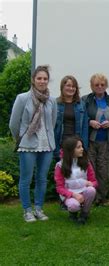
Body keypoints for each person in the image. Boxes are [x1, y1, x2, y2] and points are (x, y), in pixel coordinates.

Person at [9, 65, 57, 222]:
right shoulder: (23, 98)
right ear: (33, 80)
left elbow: (53, 122)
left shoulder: (51, 100)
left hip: (47, 144)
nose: (42, 81)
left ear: (48, 81)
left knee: (42, 178)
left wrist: (49, 137)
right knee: (26, 179)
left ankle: (38, 208)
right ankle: (27, 210)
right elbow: (14, 123)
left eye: (45, 79)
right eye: (39, 78)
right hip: (28, 144)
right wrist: (21, 138)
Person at [82, 73, 109, 206]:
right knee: (90, 169)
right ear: (92, 86)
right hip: (89, 141)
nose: (99, 87)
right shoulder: (85, 100)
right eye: (96, 85)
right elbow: (80, 118)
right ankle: (90, 196)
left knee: (103, 170)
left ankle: (101, 197)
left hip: (106, 141)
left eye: (102, 84)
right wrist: (89, 122)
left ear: (106, 86)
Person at [54, 136, 97, 225]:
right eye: (78, 147)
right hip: (69, 194)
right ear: (70, 150)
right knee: (74, 206)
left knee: (91, 190)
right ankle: (73, 214)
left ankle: (84, 213)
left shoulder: (86, 162)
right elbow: (59, 188)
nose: (82, 149)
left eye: (82, 146)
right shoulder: (60, 166)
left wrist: (91, 184)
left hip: (83, 191)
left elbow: (94, 181)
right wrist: (73, 195)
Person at [54, 75, 89, 162]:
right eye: (68, 85)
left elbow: (85, 126)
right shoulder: (55, 104)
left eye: (73, 86)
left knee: (76, 171)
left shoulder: (81, 104)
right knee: (63, 170)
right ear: (62, 87)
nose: (71, 88)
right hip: (61, 143)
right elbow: (52, 127)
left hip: (76, 143)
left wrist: (84, 146)